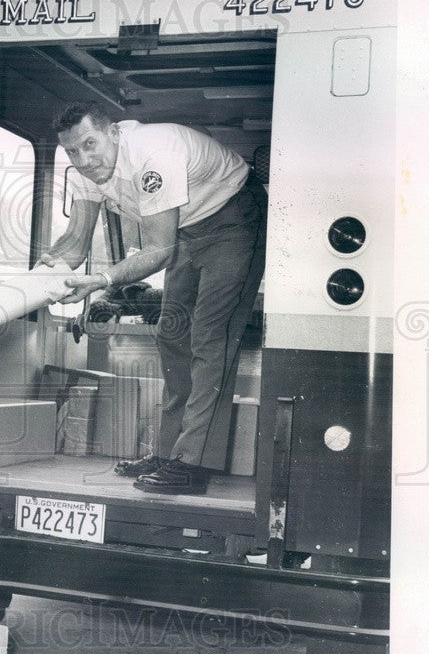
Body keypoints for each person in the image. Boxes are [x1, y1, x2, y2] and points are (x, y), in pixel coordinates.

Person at [39, 102, 266, 496]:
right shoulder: (87, 172)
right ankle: (168, 456)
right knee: (172, 334)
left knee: (210, 337)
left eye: (90, 144)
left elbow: (158, 249)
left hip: (235, 218)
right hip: (190, 231)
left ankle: (193, 465)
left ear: (114, 133)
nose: (84, 159)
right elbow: (73, 245)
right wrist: (40, 277)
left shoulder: (152, 153)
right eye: (72, 151)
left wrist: (101, 280)